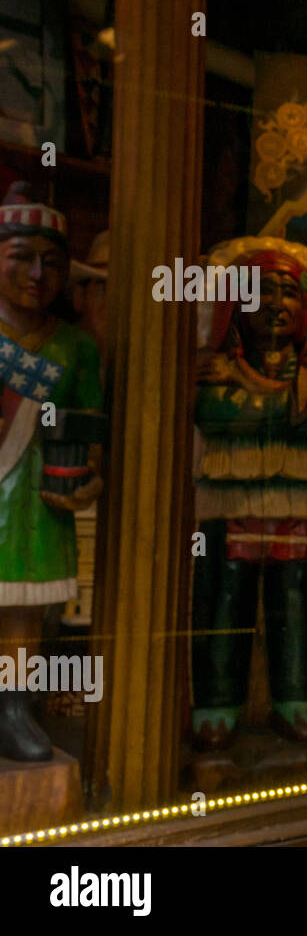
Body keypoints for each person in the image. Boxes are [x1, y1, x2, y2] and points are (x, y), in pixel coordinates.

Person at [190, 237, 307, 749]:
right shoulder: (214, 368)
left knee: (297, 601)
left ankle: (296, 700)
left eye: (287, 293)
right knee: (223, 599)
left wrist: (255, 408)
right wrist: (295, 411)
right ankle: (216, 704)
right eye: (259, 292)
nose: (275, 304)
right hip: (228, 505)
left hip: (300, 506)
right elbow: (213, 415)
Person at [0, 183, 103, 761]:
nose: (37, 274)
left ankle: (13, 709)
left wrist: (88, 478)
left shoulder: (75, 347)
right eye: (21, 257)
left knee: (25, 613)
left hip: (38, 502)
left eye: (52, 263)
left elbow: (90, 428)